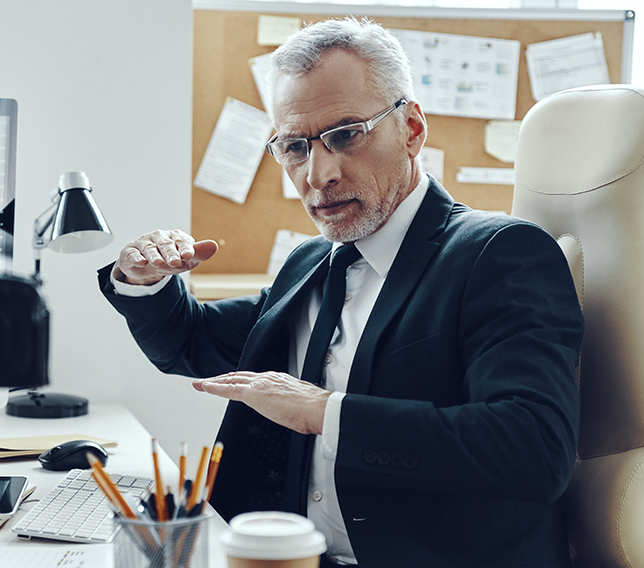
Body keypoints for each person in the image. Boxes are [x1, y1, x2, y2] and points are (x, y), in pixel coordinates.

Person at [97, 17, 584, 568]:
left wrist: (324, 412)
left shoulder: (497, 253)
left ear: (413, 129)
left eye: (346, 134)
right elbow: (193, 343)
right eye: (295, 147)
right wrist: (147, 281)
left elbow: (533, 448)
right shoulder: (314, 261)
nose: (317, 173)